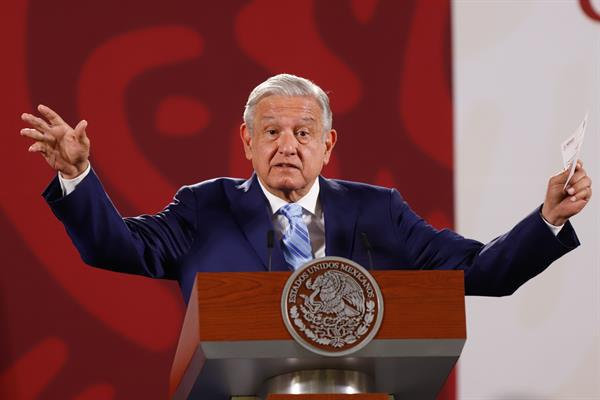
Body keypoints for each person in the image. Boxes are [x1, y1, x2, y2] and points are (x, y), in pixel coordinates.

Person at [20, 74, 592, 303]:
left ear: (328, 144)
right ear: (246, 142)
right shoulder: (204, 206)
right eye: (271, 132)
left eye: (302, 132)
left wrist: (545, 219)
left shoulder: (379, 211)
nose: (286, 145)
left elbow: (481, 272)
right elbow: (117, 247)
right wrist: (77, 176)